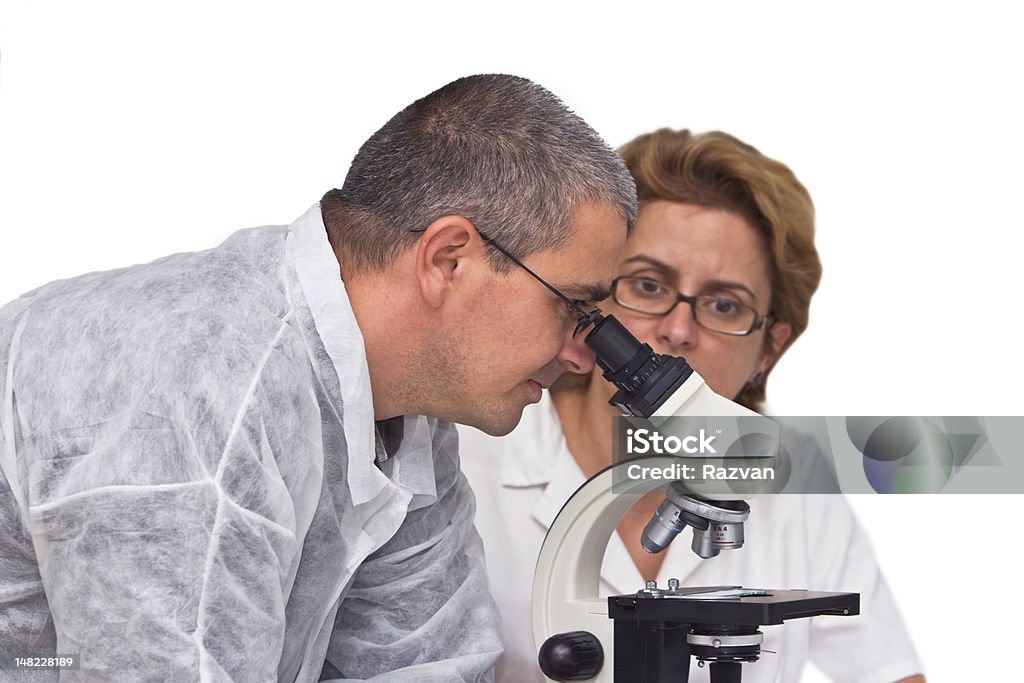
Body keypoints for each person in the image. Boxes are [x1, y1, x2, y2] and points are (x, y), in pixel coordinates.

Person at [0, 74, 636, 681]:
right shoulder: (199, 392)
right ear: (448, 259)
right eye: (572, 306)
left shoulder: (402, 405)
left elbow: (426, 661)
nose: (584, 357)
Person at [460, 128, 926, 682]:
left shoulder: (797, 480)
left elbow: (890, 673)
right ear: (592, 299)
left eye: (725, 304)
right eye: (648, 285)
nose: (678, 330)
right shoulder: (467, 458)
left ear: (769, 346)